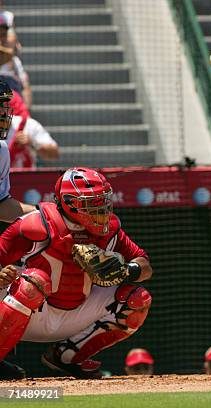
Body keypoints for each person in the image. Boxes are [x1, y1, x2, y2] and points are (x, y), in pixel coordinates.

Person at [0, 167, 153, 379]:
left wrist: (128, 270)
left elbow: (145, 264)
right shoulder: (36, 224)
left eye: (103, 201)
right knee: (34, 282)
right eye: (92, 203)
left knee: (139, 300)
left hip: (76, 314)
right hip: (29, 313)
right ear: (70, 203)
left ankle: (67, 356)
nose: (101, 209)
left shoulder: (110, 230)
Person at [0, 79, 34, 223]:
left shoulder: (1, 150)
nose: (2, 112)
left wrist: (42, 213)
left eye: (4, 105)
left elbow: (2, 205)